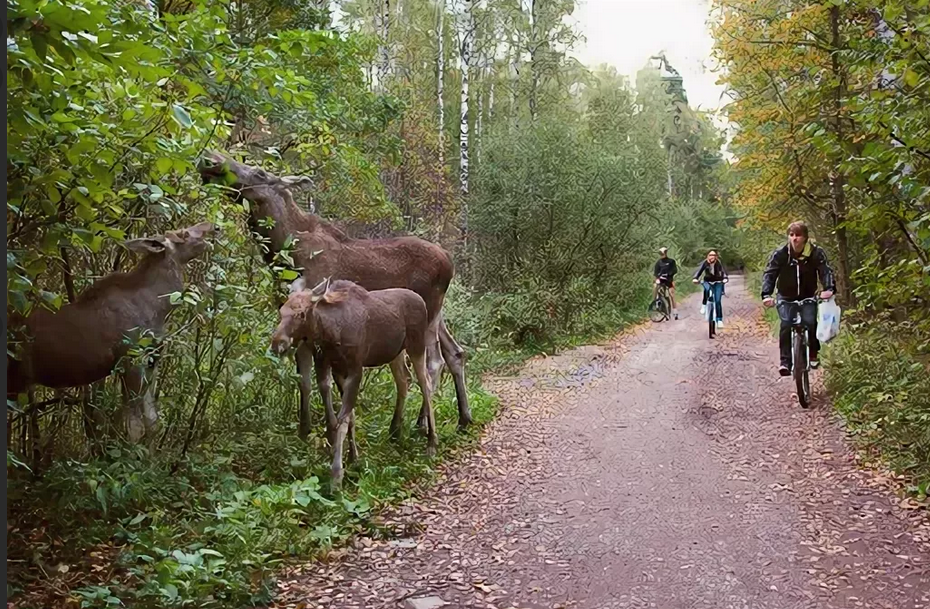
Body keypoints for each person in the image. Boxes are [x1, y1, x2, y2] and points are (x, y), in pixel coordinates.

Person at [761, 221, 835, 376]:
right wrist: (766, 294)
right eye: (791, 235)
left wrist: (829, 288)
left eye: (798, 235)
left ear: (805, 237)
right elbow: (770, 273)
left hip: (808, 296)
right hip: (786, 296)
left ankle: (814, 353)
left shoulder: (815, 253)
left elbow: (825, 270)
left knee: (810, 322)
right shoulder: (781, 254)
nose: (794, 239)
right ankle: (785, 362)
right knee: (786, 324)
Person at [692, 250, 728, 328]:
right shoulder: (705, 263)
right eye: (710, 255)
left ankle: (719, 320)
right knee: (707, 290)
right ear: (708, 256)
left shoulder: (719, 263)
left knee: (717, 301)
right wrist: (695, 278)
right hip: (707, 281)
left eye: (714, 255)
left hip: (718, 282)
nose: (712, 257)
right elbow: (699, 271)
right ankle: (704, 305)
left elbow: (723, 271)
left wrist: (725, 278)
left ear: (716, 257)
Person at [653, 246, 678, 320]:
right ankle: (656, 302)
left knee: (671, 294)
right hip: (661, 279)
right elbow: (656, 272)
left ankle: (675, 312)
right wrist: (657, 277)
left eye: (663, 252)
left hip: (669, 279)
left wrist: (669, 274)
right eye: (660, 253)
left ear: (666, 253)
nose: (662, 254)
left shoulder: (671, 261)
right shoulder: (658, 262)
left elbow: (674, 270)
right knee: (655, 287)